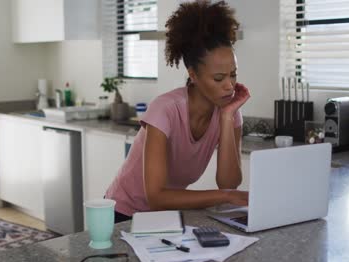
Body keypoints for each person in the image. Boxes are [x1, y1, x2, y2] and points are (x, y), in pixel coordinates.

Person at [105, 0, 251, 223]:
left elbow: (229, 183)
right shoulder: (165, 110)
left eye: (233, 75)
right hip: (124, 213)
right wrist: (226, 197)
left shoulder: (230, 113)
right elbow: (156, 196)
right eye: (219, 78)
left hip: (165, 217)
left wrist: (227, 116)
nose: (230, 86)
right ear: (193, 75)